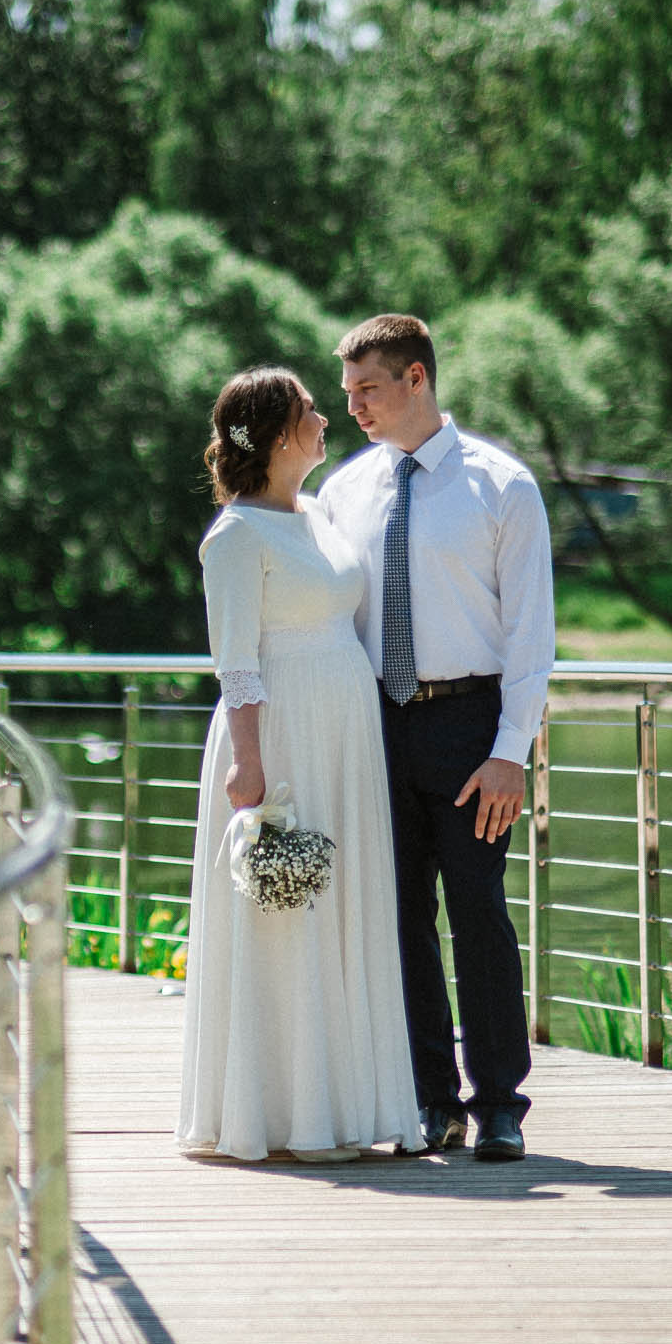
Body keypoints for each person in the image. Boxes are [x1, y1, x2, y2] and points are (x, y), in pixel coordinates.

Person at [320, 314, 555, 1162]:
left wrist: (510, 750)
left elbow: (532, 632)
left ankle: (499, 1104)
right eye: (347, 393)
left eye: (367, 388)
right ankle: (431, 1099)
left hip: (470, 725)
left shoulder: (503, 487)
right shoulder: (345, 491)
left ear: (416, 378)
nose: (354, 407)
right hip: (375, 722)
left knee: (479, 910)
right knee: (400, 916)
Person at [176, 367, 423, 1163]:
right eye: (312, 409)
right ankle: (280, 1112)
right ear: (281, 434)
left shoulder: (314, 515)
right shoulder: (236, 534)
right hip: (280, 734)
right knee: (284, 915)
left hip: (344, 735)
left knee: (339, 907)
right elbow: (236, 662)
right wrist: (248, 767)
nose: (327, 417)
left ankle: (348, 1102)